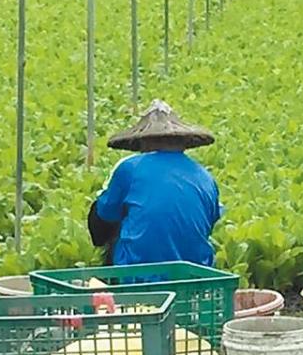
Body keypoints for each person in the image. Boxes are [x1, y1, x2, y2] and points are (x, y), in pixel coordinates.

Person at [87, 99, 223, 267]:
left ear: (144, 142)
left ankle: (119, 283)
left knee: (112, 218)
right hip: (195, 271)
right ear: (183, 144)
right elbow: (209, 222)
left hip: (139, 273)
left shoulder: (130, 167)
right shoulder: (206, 176)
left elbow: (103, 218)